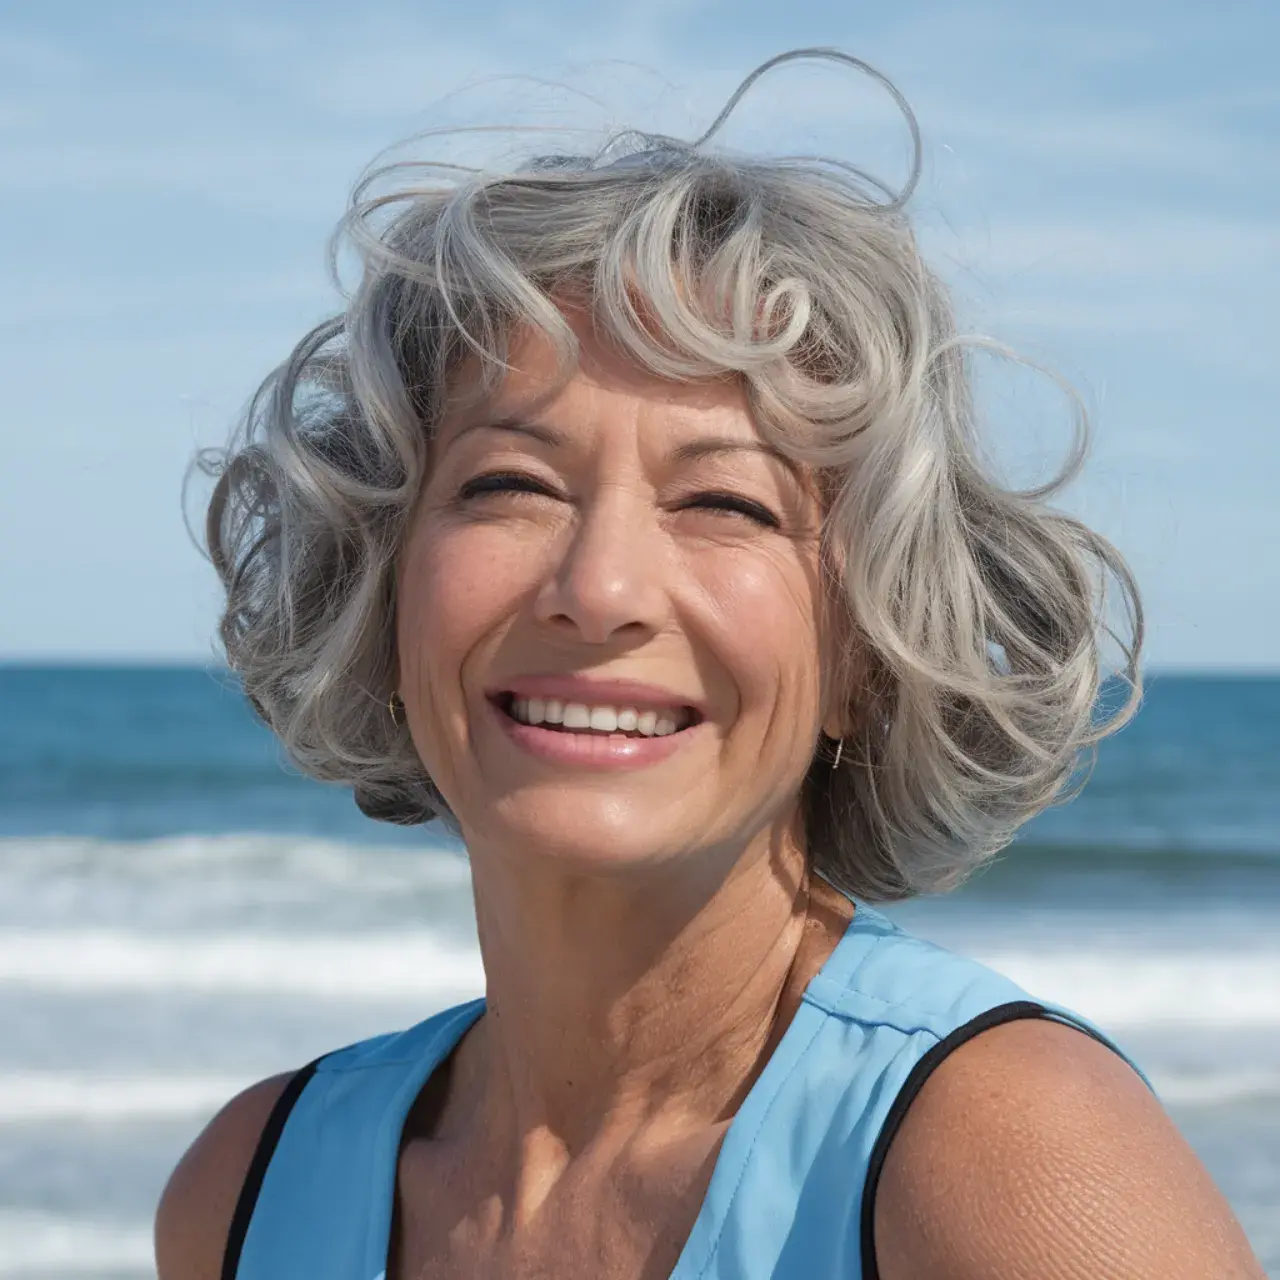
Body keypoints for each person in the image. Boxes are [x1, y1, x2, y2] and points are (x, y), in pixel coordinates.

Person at [155, 48, 1267, 1280]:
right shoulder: (244, 1193)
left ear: (867, 653)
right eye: (509, 483)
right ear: (378, 598)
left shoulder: (1000, 1162)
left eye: (725, 503)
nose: (599, 589)